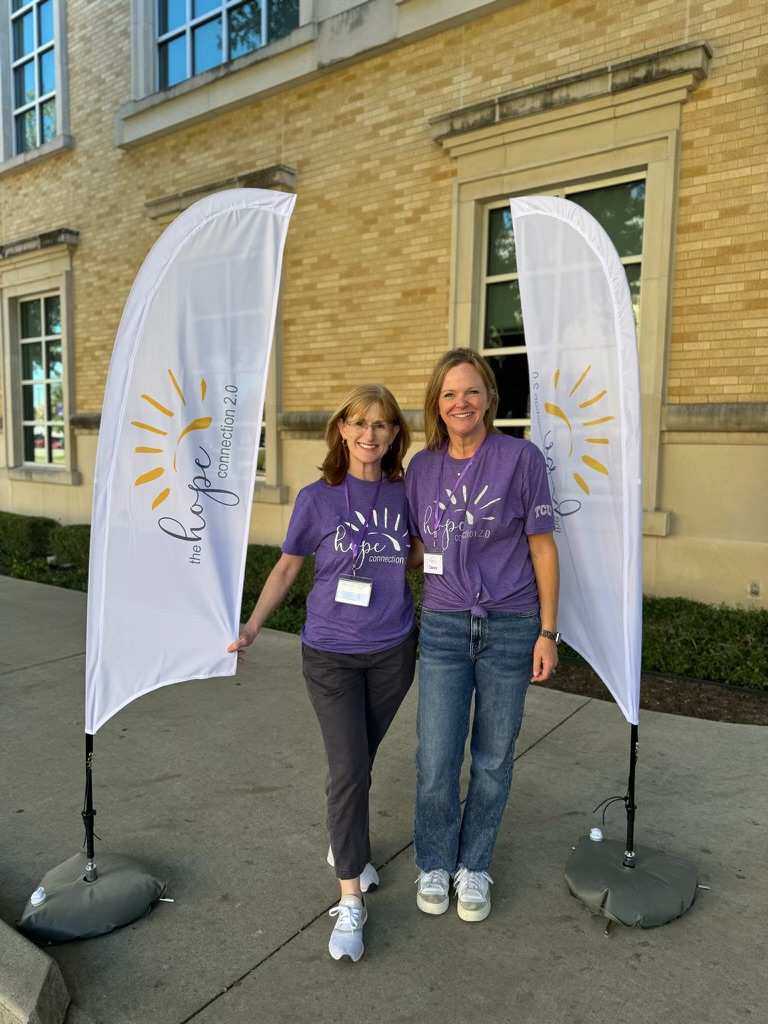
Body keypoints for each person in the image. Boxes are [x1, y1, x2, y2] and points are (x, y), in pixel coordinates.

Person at [228, 384, 417, 963]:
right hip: (331, 652)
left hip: (393, 651)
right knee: (349, 765)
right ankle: (351, 899)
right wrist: (254, 625)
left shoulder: (407, 492)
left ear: (393, 435)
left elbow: (418, 551)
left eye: (382, 425)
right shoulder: (317, 497)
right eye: (359, 423)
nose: (370, 434)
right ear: (341, 429)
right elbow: (288, 567)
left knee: (361, 760)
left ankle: (347, 845)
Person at [405, 348, 559, 923]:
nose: (461, 402)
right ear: (437, 405)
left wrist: (548, 632)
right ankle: (436, 861)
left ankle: (474, 864)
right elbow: (420, 549)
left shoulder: (521, 460)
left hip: (511, 627)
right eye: (449, 394)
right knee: (436, 758)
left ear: (490, 397)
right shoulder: (423, 469)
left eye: (471, 391)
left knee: (493, 759)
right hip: (444, 627)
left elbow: (543, 547)